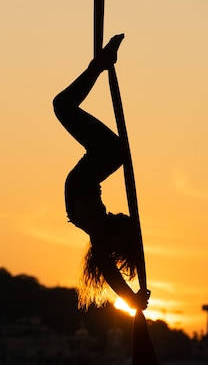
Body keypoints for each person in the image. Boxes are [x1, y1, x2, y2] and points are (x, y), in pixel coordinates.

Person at [53, 34, 149, 311]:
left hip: (102, 157)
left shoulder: (96, 229)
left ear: (115, 244)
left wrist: (130, 299)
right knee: (63, 106)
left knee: (63, 106)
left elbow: (108, 269)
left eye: (123, 227)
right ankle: (99, 64)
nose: (121, 216)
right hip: (101, 158)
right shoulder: (99, 224)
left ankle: (100, 64)